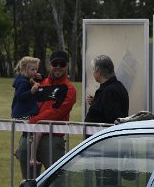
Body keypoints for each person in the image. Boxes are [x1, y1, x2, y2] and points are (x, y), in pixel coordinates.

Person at [17, 50, 76, 178]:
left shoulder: (69, 89)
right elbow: (26, 102)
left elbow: (56, 112)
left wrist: (32, 122)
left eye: (62, 64)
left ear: (67, 66)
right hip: (30, 136)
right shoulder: (39, 83)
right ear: (50, 65)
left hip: (52, 138)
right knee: (28, 183)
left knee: (56, 183)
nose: (58, 67)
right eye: (55, 63)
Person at [11, 56, 41, 164]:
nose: (35, 72)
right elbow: (20, 96)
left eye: (36, 69)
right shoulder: (22, 82)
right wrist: (32, 91)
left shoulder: (25, 79)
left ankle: (19, 149)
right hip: (23, 113)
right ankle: (32, 157)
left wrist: (36, 78)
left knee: (27, 132)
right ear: (24, 70)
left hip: (24, 112)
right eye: (32, 70)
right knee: (35, 132)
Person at [85, 55, 130, 125]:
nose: (93, 72)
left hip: (102, 134)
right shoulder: (116, 87)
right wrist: (96, 102)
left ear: (99, 72)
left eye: (93, 69)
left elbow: (114, 118)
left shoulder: (109, 91)